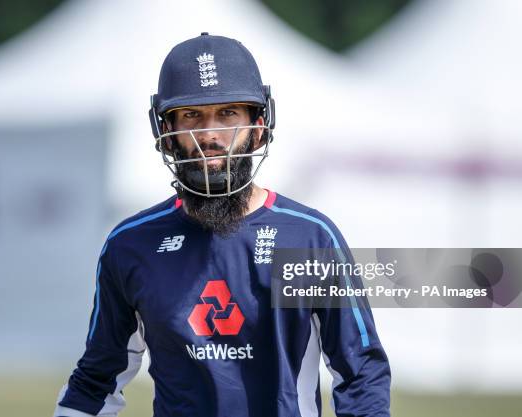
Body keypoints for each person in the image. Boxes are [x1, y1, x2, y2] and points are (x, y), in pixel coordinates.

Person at [53, 33, 391, 417]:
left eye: (228, 113)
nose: (210, 136)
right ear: (166, 133)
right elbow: (97, 379)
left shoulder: (310, 236)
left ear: (258, 125)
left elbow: (361, 372)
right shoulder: (131, 245)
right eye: (192, 115)